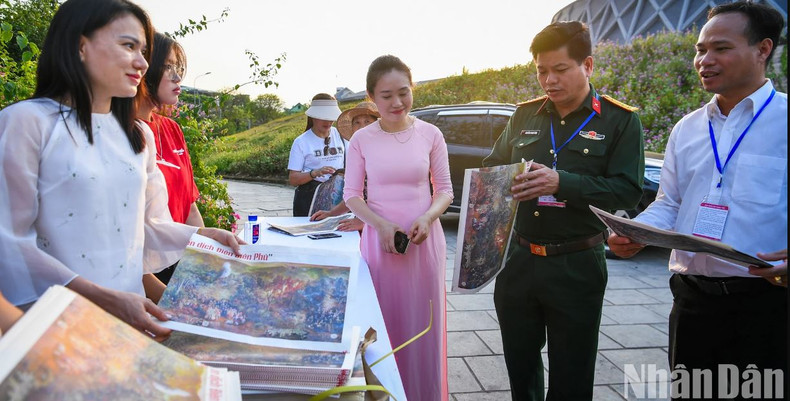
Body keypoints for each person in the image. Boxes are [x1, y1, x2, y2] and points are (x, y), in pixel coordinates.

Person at [0, 0, 241, 342]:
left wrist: (202, 237)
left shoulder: (139, 134)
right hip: (51, 325)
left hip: (128, 320)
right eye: (129, 46)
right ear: (80, 45)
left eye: (144, 50)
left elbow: (145, 226)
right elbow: (9, 241)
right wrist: (102, 297)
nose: (143, 62)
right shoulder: (28, 122)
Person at [608, 2, 787, 398]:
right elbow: (670, 202)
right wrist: (639, 233)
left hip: (769, 305)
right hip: (692, 302)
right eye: (700, 49)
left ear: (763, 49)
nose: (704, 60)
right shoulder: (687, 129)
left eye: (720, 48)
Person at [482, 21, 645, 400]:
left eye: (559, 70)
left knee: (573, 370)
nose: (549, 81)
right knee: (519, 364)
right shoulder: (524, 116)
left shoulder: (620, 121)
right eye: (541, 71)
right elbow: (492, 169)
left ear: (587, 65)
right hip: (519, 261)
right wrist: (506, 181)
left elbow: (626, 191)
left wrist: (562, 183)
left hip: (577, 264)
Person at [343, 55, 452, 400]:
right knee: (382, 325)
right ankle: (383, 394)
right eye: (386, 95)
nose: (397, 102)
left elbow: (445, 190)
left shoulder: (430, 134)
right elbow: (351, 196)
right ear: (372, 96)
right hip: (380, 247)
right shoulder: (362, 140)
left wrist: (428, 216)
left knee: (423, 327)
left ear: (412, 90)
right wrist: (380, 225)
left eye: (403, 93)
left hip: (424, 245)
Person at [137, 32, 203, 286]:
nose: (177, 77)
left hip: (179, 257)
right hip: (143, 269)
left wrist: (205, 255)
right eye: (167, 67)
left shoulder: (172, 129)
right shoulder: (121, 132)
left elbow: (190, 205)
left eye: (179, 68)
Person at [310, 101, 380, 231]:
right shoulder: (358, 153)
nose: (362, 127)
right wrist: (331, 213)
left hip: (388, 223)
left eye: (367, 121)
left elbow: (387, 196)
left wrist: (364, 221)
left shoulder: (385, 151)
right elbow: (354, 194)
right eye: (357, 123)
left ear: (378, 124)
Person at [287, 93, 345, 217]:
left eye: (331, 117)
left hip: (338, 199)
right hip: (309, 199)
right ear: (313, 116)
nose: (328, 121)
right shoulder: (301, 142)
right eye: (323, 117)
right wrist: (315, 173)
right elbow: (293, 179)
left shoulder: (341, 134)